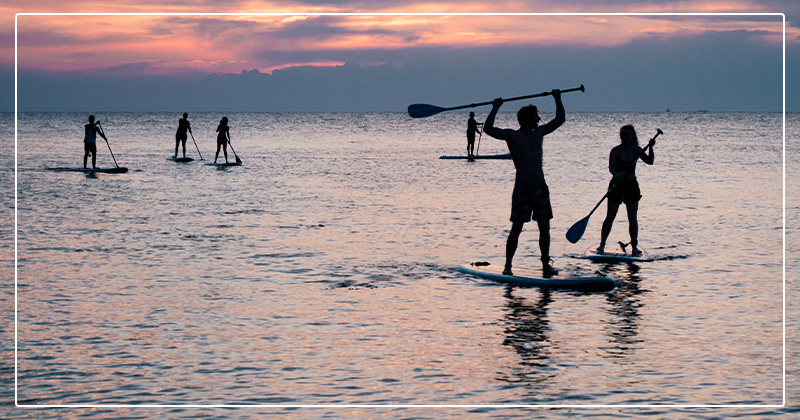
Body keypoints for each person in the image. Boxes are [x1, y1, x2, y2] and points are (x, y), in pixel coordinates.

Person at [483, 90, 564, 277]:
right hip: (522, 189)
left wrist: (557, 99)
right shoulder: (512, 136)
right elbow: (488, 129)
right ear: (528, 118)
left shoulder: (540, 133)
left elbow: (560, 119)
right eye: (536, 116)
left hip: (540, 188)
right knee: (516, 228)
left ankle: (545, 265)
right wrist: (495, 108)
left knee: (544, 228)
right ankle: (508, 266)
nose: (539, 119)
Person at [597, 124, 655, 255]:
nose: (625, 138)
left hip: (631, 186)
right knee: (610, 216)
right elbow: (611, 167)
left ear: (632, 136)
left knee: (632, 217)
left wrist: (651, 147)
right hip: (616, 185)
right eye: (623, 135)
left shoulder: (637, 150)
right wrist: (617, 174)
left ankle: (634, 246)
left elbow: (650, 161)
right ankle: (602, 244)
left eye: (627, 135)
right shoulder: (615, 151)